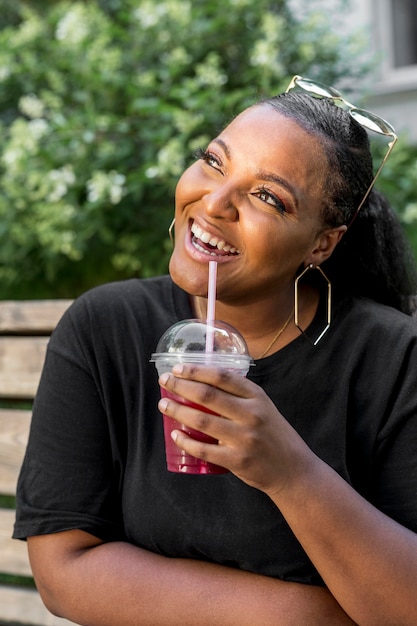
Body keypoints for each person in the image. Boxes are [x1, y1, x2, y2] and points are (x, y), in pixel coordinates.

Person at [13, 75, 417, 625]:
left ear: (323, 242)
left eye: (267, 197)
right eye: (214, 162)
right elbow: (63, 570)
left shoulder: (393, 360)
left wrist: (289, 472)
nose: (216, 202)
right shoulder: (105, 328)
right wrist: (306, 619)